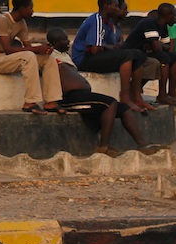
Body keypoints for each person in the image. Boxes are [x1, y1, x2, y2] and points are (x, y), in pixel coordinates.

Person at [48, 27, 160, 156]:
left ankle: (143, 144)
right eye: (64, 39)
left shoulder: (66, 56)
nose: (68, 42)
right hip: (69, 98)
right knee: (110, 103)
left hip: (84, 96)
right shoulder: (50, 56)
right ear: (55, 43)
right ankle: (104, 146)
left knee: (123, 108)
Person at [70, 0, 153, 114]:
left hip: (96, 56)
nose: (117, 9)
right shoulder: (97, 20)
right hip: (84, 60)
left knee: (138, 55)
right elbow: (95, 50)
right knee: (127, 56)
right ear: (107, 7)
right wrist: (111, 47)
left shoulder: (108, 23)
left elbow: (110, 47)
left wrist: (110, 48)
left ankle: (136, 97)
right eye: (115, 6)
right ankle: (124, 98)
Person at [0, 0, 63, 113]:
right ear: (22, 9)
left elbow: (28, 47)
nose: (33, 11)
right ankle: (30, 102)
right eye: (30, 8)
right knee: (29, 55)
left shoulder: (22, 23)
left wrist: (43, 50)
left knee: (48, 58)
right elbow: (8, 49)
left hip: (8, 59)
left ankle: (51, 101)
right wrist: (36, 49)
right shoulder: (2, 21)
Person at [124, 4, 176, 108]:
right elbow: (157, 48)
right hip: (133, 53)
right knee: (164, 58)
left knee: (174, 57)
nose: (175, 18)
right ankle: (162, 94)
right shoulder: (149, 23)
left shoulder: (163, 27)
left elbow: (167, 47)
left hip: (145, 52)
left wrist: (156, 44)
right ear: (167, 15)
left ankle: (172, 93)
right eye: (174, 15)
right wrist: (157, 45)